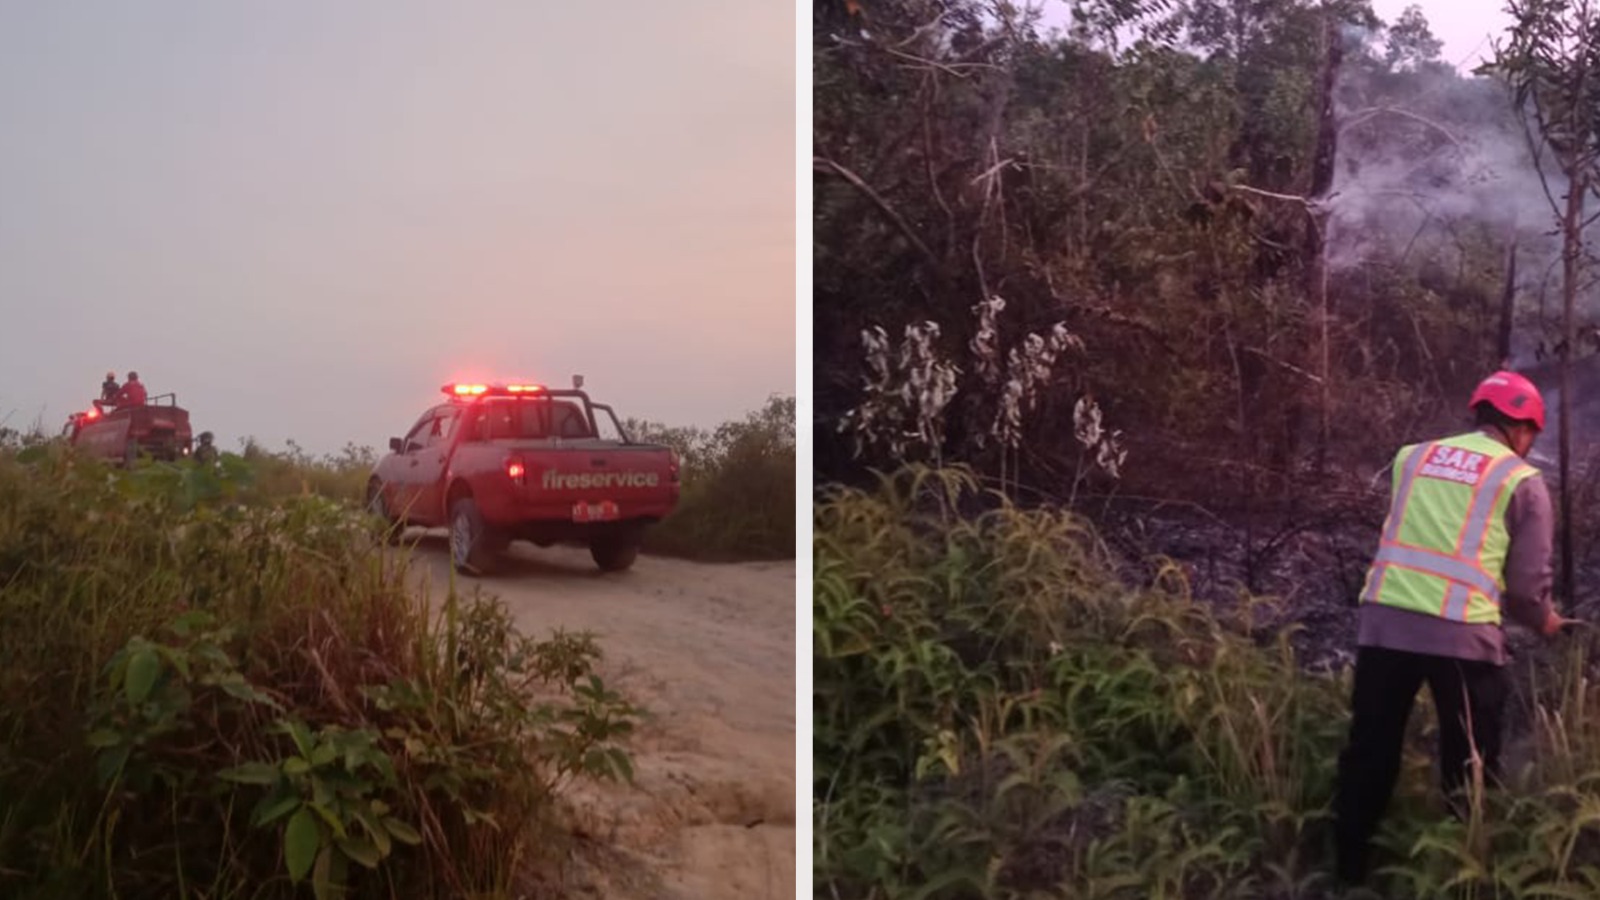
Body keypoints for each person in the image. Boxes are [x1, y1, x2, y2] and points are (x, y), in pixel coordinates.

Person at [1334, 370, 1574, 886]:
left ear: (1478, 414)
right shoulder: (1522, 481)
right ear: (1523, 429)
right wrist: (1548, 622)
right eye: (1532, 436)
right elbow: (1525, 589)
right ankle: (1464, 873)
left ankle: (1347, 873)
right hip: (1463, 633)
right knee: (1471, 762)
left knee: (1370, 748)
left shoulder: (1413, 457)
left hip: (1385, 622)